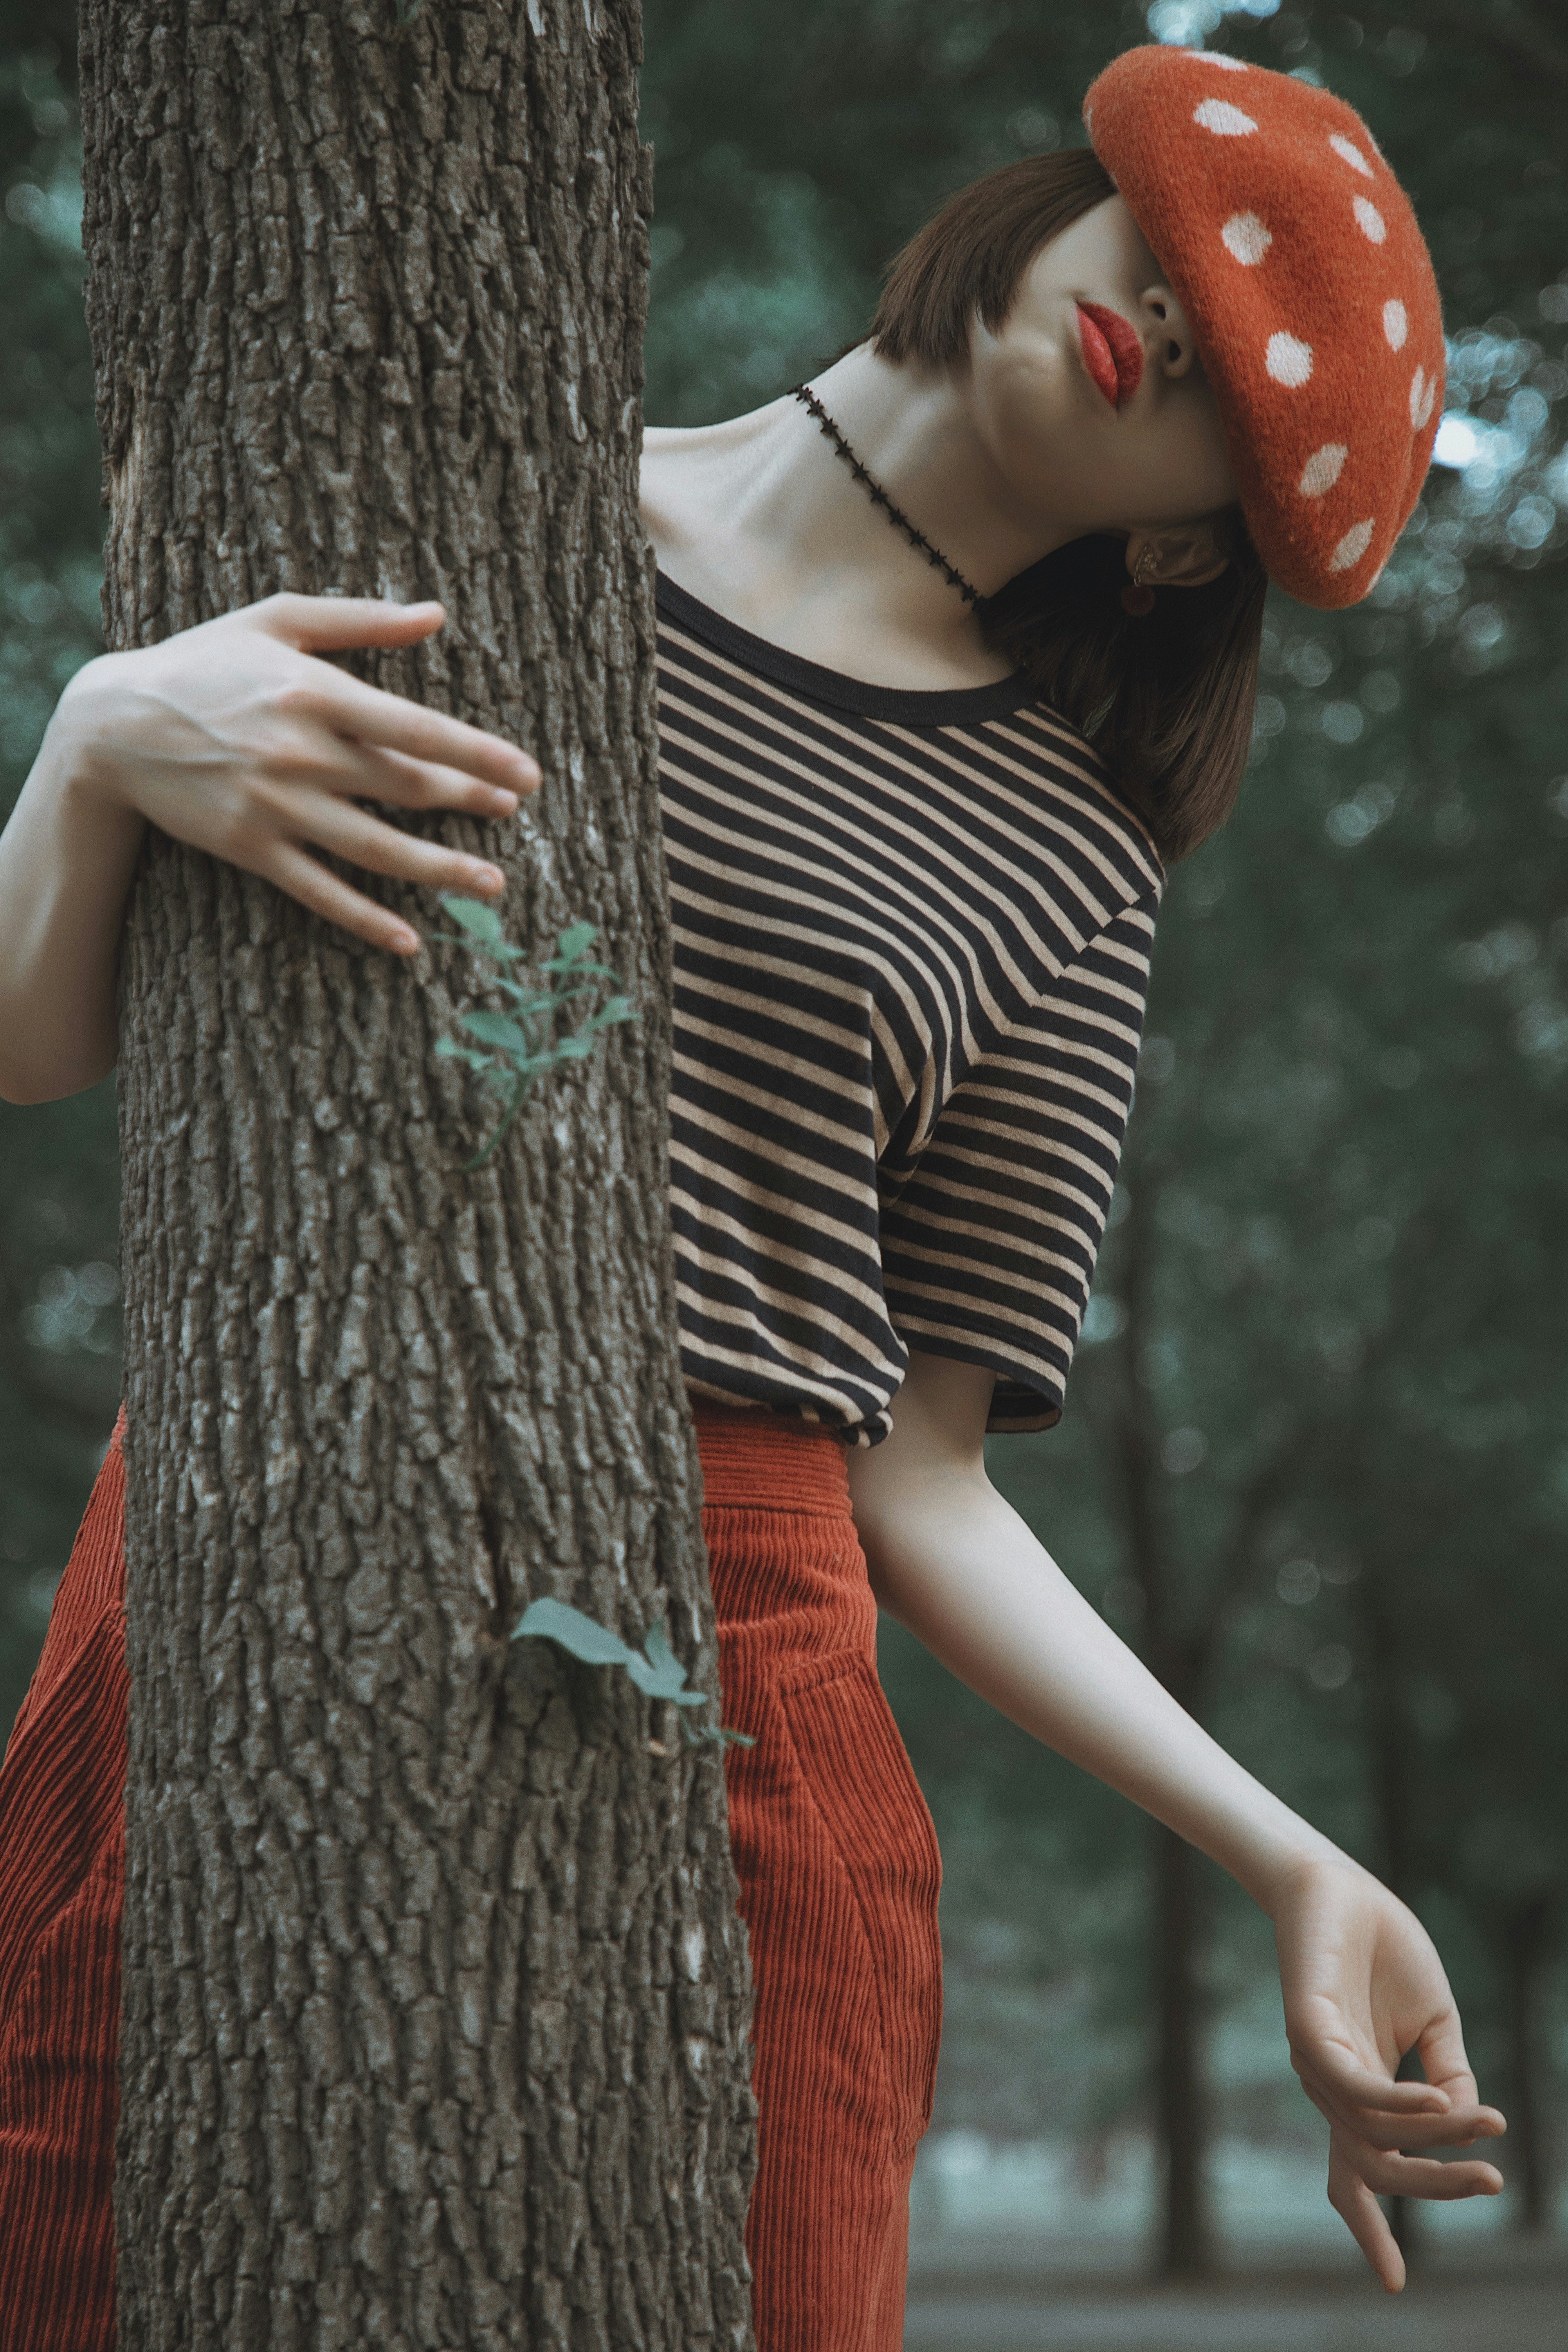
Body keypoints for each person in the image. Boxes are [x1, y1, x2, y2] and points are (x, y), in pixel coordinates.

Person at [0, 41, 1505, 2352]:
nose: (1170, 326)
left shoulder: (1065, 856)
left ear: (1194, 532)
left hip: (749, 1640)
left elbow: (920, 1475)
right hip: (262, 1511)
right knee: (86, 2231)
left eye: (1227, 382)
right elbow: (33, 1043)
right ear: (1049, 209)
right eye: (1174, 259)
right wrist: (102, 731)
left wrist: (1291, 1847)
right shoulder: (458, 498)